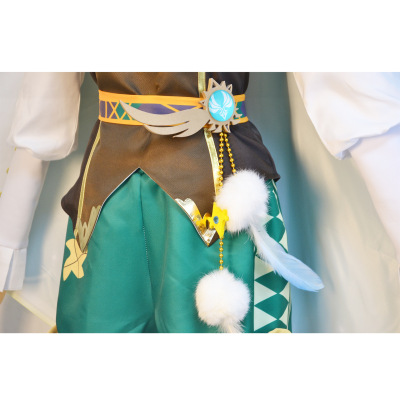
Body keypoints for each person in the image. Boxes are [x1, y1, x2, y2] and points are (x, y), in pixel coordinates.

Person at [0, 72, 323, 333]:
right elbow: (44, 104)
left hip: (220, 205)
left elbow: (342, 100)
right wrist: (7, 243)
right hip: (108, 199)